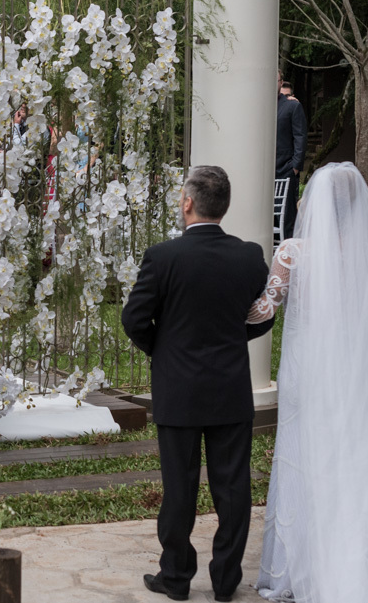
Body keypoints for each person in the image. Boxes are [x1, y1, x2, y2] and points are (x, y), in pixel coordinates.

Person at [247, 163, 368, 602]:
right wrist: (358, 319)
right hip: (353, 367)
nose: (302, 199)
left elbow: (264, 310)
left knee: (304, 454)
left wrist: (219, 313)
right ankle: (354, 556)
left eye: (307, 192)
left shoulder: (292, 251)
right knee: (351, 455)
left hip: (307, 368)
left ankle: (299, 566)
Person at [120, 166, 272, 602]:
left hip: (178, 390)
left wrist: (166, 352)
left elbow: (133, 319)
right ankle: (226, 583)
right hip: (230, 388)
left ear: (188, 203)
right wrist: (228, 340)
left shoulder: (163, 257)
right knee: (233, 487)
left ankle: (176, 578)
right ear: (222, 206)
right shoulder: (250, 256)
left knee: (179, 487)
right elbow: (264, 318)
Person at [276, 71, 306, 239]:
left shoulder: (292, 106)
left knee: (287, 220)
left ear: (281, 83)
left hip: (285, 169)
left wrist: (295, 167)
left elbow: (300, 136)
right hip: (261, 171)